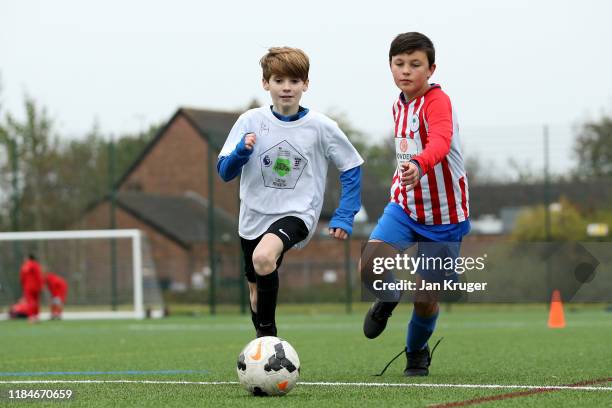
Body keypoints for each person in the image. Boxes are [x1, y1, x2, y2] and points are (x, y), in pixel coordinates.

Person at [217, 47, 364, 338]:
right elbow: (225, 172)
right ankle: (264, 344)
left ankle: (268, 343)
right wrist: (240, 154)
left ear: (306, 84)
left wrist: (345, 215)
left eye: (294, 81)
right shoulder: (250, 121)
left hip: (297, 213)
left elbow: (352, 167)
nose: (287, 87)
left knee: (263, 257)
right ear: (265, 83)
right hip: (253, 215)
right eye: (279, 80)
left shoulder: (321, 127)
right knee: (257, 295)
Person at [362, 32, 470, 376]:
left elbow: (440, 141)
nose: (406, 71)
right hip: (406, 207)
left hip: (444, 218)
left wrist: (420, 164)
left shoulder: (438, 102)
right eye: (399, 63)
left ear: (431, 68)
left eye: (415, 64)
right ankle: (389, 297)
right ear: (390, 67)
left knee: (425, 297)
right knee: (369, 266)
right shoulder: (399, 104)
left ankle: (417, 351)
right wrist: (408, 171)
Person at [19, 254, 45, 322]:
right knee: (36, 302)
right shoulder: (36, 265)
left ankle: (31, 317)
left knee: (30, 302)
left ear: (28, 258)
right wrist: (41, 285)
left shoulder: (25, 265)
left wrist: (23, 285)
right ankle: (36, 316)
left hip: (28, 287)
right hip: (36, 286)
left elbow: (22, 277)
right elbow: (39, 276)